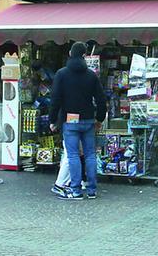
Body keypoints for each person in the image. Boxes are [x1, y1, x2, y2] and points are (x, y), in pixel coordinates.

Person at [49, 42, 107, 200]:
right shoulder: (91, 75)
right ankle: (92, 189)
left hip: (70, 120)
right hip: (88, 119)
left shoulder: (61, 74)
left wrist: (52, 120)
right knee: (90, 155)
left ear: (69, 53)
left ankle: (75, 190)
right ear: (84, 55)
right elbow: (101, 100)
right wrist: (99, 118)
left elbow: (55, 99)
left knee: (73, 155)